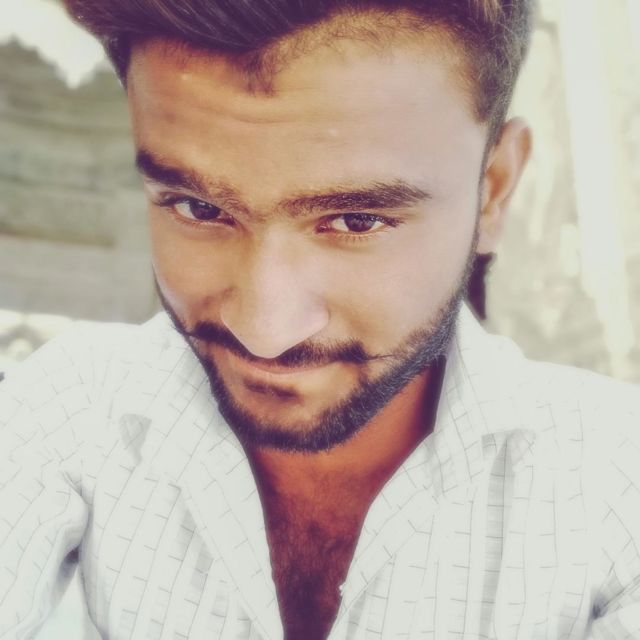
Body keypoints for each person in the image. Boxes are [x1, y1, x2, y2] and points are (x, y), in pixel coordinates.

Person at [1, 0, 638, 638]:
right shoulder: (72, 406)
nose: (264, 330)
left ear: (492, 190)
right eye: (197, 208)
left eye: (357, 221)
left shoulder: (617, 476)